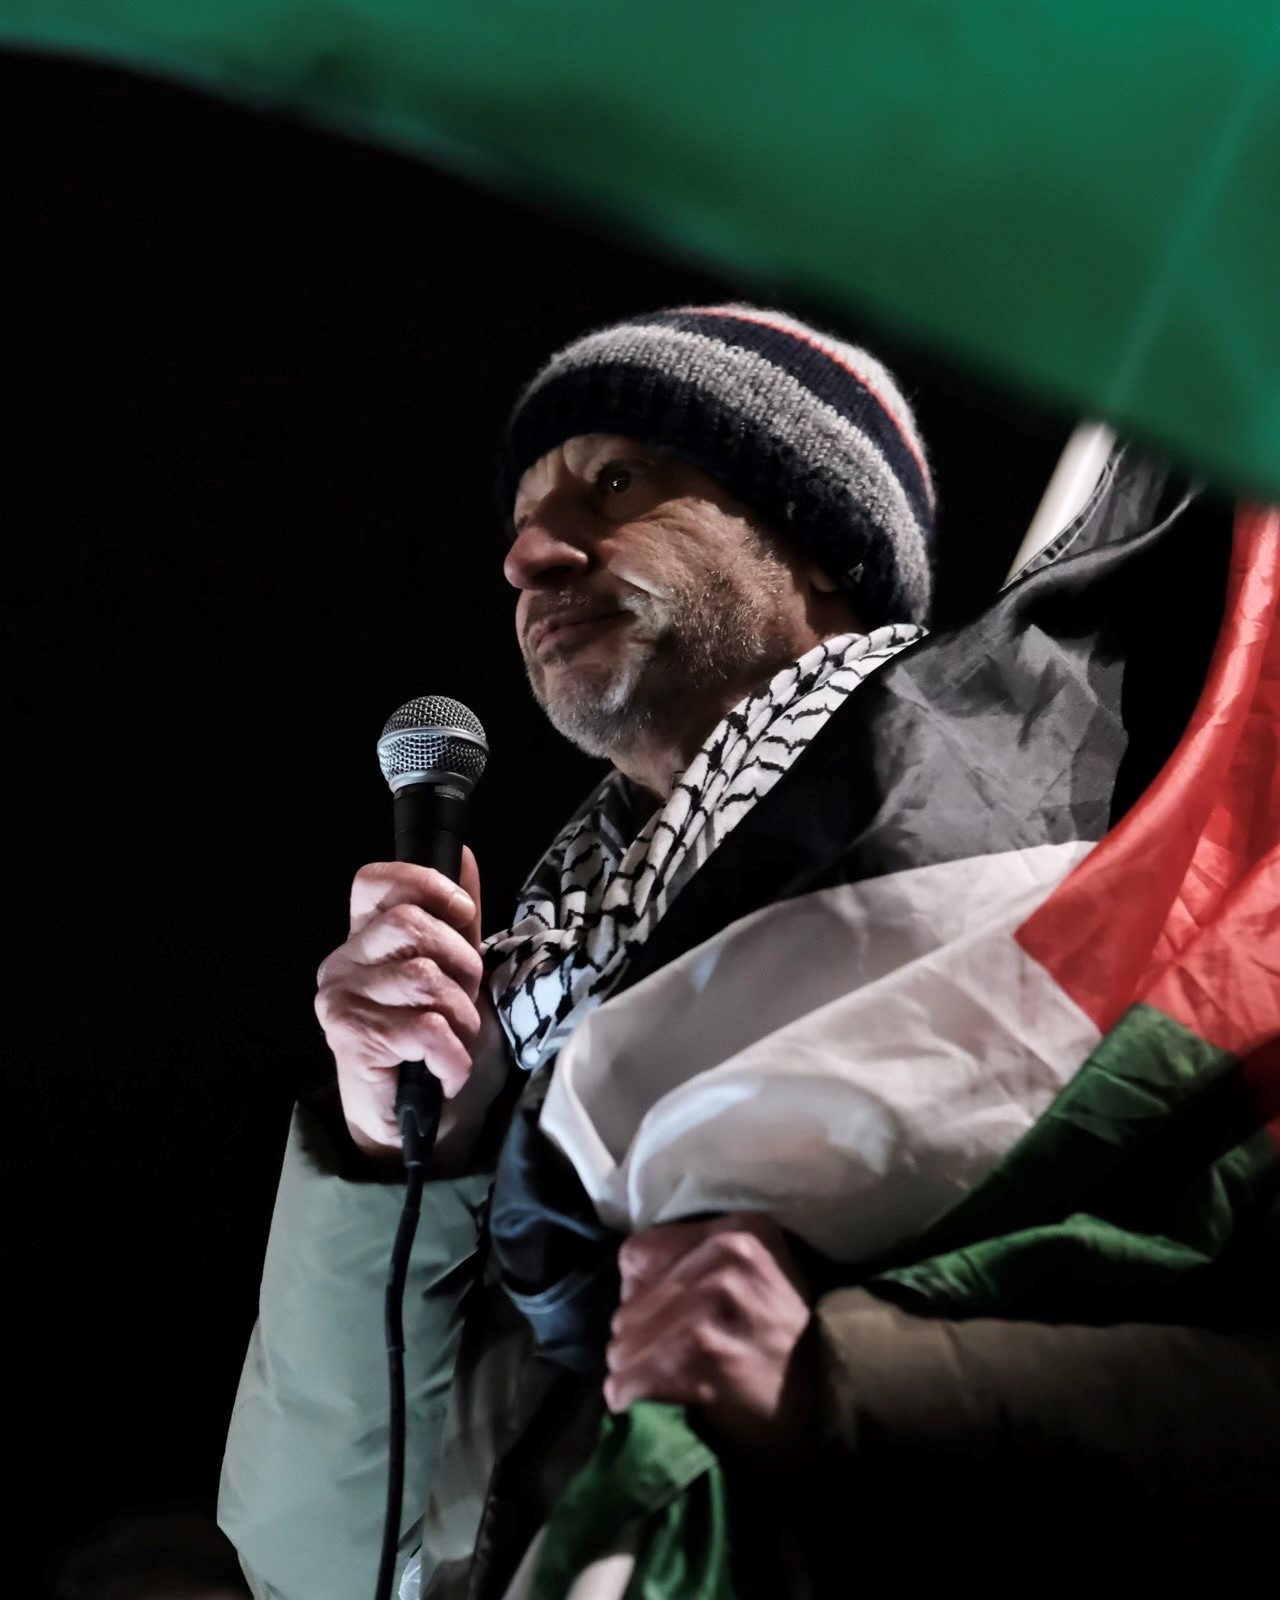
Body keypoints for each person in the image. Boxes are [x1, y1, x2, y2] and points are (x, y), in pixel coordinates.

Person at [219, 307, 1280, 1600]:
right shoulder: (516, 1027)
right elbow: (307, 1564)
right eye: (524, 516)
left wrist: (849, 1386)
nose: (532, 554)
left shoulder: (1048, 822)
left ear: (813, 530)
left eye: (619, 483)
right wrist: (391, 1160)